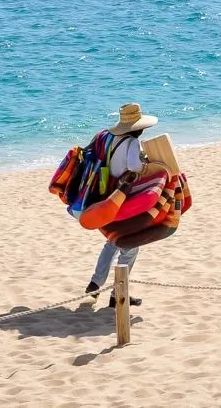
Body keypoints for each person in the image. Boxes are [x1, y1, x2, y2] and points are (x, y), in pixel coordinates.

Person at [84, 102, 159, 308]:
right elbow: (134, 166)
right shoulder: (132, 143)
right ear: (138, 127)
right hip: (126, 197)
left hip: (107, 194)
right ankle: (119, 292)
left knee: (113, 240)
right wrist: (147, 165)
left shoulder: (111, 137)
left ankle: (95, 283)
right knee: (131, 244)